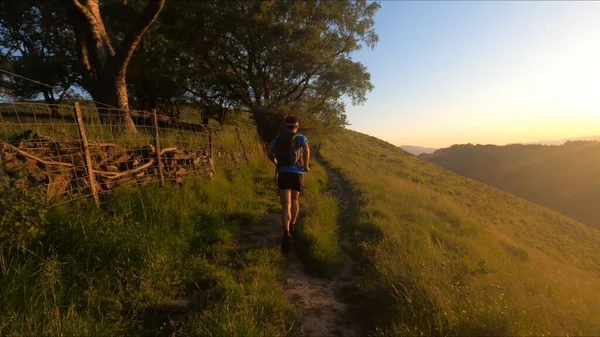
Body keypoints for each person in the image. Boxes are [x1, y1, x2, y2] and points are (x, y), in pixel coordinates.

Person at [267, 115, 310, 255]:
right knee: (295, 200)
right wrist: (306, 165)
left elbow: (269, 153)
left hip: (283, 173)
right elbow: (307, 150)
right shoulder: (301, 138)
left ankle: (286, 233)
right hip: (297, 174)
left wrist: (276, 163)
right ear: (297, 127)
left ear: (285, 127)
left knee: (286, 205)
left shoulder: (277, 139)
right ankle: (292, 227)